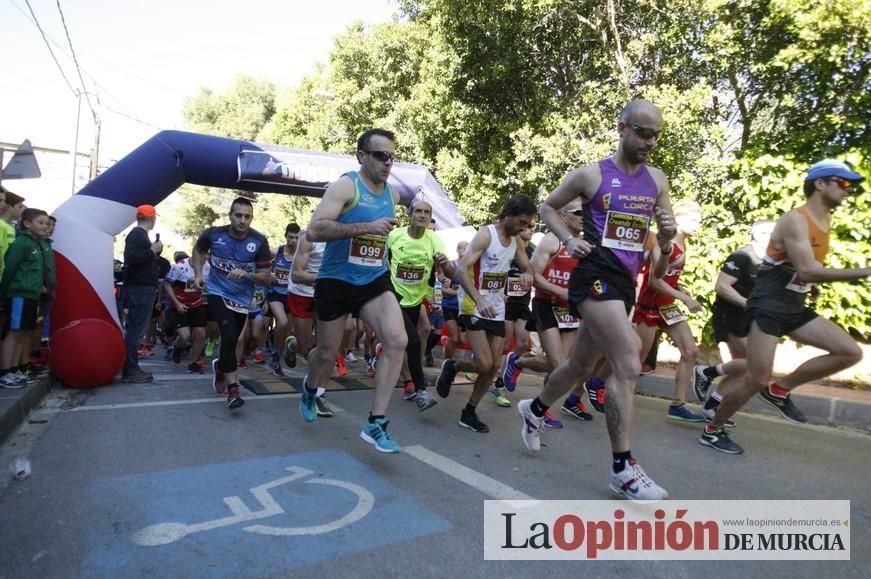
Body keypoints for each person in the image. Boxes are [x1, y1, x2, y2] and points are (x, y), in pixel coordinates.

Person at [519, 99, 677, 501]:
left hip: (625, 282)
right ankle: (622, 468)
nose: (650, 141)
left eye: (656, 134)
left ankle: (534, 409)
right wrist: (570, 239)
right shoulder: (591, 175)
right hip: (592, 275)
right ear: (622, 127)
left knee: (579, 365)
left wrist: (669, 235)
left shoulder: (658, 180)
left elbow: (661, 249)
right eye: (642, 132)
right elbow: (547, 207)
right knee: (628, 359)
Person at [701, 159, 869, 454]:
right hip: (767, 306)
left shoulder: (825, 220)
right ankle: (713, 430)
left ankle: (780, 390)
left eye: (850, 185)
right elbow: (806, 269)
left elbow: (805, 267)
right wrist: (865, 271)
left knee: (850, 352)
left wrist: (812, 285)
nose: (848, 190)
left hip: (793, 305)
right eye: (843, 183)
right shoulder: (795, 219)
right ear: (820, 184)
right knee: (756, 378)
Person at [300, 128, 407, 454]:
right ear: (362, 156)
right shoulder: (347, 185)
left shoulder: (393, 195)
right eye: (380, 155)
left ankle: (376, 421)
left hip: (373, 280)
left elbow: (381, 240)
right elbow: (315, 230)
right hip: (336, 281)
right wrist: (366, 227)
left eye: (392, 156)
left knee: (397, 340)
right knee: (327, 354)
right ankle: (311, 386)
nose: (388, 162)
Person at [435, 195, 537, 433]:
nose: (524, 229)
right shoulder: (486, 235)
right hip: (473, 304)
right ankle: (453, 366)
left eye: (528, 225)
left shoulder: (516, 242)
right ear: (509, 214)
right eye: (521, 222)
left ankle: (469, 412)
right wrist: (478, 298)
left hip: (496, 306)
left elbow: (527, 266)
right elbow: (461, 269)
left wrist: (527, 275)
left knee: (492, 368)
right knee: (484, 363)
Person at [515, 199, 593, 421]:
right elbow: (534, 275)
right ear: (562, 215)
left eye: (586, 212)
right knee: (557, 363)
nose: (583, 216)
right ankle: (539, 407)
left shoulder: (585, 243)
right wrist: (560, 291)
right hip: (546, 304)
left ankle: (520, 366)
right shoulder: (551, 241)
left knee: (563, 365)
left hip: (569, 310)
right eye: (578, 212)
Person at [192, 197, 272, 410]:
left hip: (241, 299)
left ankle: (220, 367)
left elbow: (266, 277)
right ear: (230, 216)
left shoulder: (259, 241)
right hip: (217, 292)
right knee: (229, 337)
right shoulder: (214, 234)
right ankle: (233, 389)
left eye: (247, 216)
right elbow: (198, 251)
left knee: (233, 340)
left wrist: (248, 274)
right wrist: (199, 273)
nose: (243, 221)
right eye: (238, 215)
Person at [692, 219, 774, 423]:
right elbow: (722, 286)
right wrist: (748, 304)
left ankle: (711, 406)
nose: (772, 237)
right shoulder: (742, 256)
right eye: (767, 233)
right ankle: (706, 372)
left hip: (751, 318)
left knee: (743, 367)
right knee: (753, 363)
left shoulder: (774, 260)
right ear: (756, 235)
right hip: (730, 315)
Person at [631, 199, 706, 422]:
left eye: (700, 220)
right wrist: (683, 297)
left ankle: (678, 404)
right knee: (637, 360)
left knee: (691, 352)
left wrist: (679, 288)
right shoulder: (665, 243)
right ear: (677, 219)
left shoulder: (683, 243)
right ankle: (613, 393)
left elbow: (668, 279)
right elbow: (654, 281)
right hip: (649, 306)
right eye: (693, 219)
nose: (697, 224)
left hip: (667, 306)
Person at [386, 199, 454, 412]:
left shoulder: (434, 239)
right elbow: (382, 260)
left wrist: (445, 264)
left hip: (416, 300)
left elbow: (446, 270)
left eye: (426, 212)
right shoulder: (395, 236)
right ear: (410, 215)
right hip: (394, 296)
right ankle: (421, 391)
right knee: (414, 341)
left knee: (407, 342)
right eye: (418, 211)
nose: (423, 215)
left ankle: (388, 352)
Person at [0, 209, 54, 388]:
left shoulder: (36, 244)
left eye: (47, 223)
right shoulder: (22, 243)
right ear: (27, 224)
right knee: (14, 333)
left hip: (31, 295)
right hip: (19, 294)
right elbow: (10, 269)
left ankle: (15, 369)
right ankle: (5, 372)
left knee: (23, 333)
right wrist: (5, 292)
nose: (45, 226)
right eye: (41, 223)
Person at [121, 205, 163, 383]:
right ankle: (130, 369)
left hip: (141, 288)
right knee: (136, 331)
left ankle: (132, 367)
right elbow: (130, 258)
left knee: (135, 330)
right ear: (152, 219)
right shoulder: (137, 235)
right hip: (140, 289)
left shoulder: (138, 235)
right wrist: (152, 251)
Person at [164, 251, 208, 373]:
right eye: (203, 256)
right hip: (179, 304)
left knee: (200, 334)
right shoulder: (179, 267)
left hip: (197, 304)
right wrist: (177, 303)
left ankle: (193, 363)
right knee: (185, 336)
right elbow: (167, 284)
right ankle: (177, 347)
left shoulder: (208, 267)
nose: (206, 259)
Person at [266, 223, 300, 376]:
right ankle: (275, 355)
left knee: (291, 331)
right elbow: (259, 263)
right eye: (291, 237)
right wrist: (268, 274)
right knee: (283, 322)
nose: (293, 241)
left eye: (296, 238)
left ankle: (281, 352)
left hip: (292, 294)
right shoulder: (276, 251)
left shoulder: (301, 254)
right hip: (275, 294)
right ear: (285, 236)